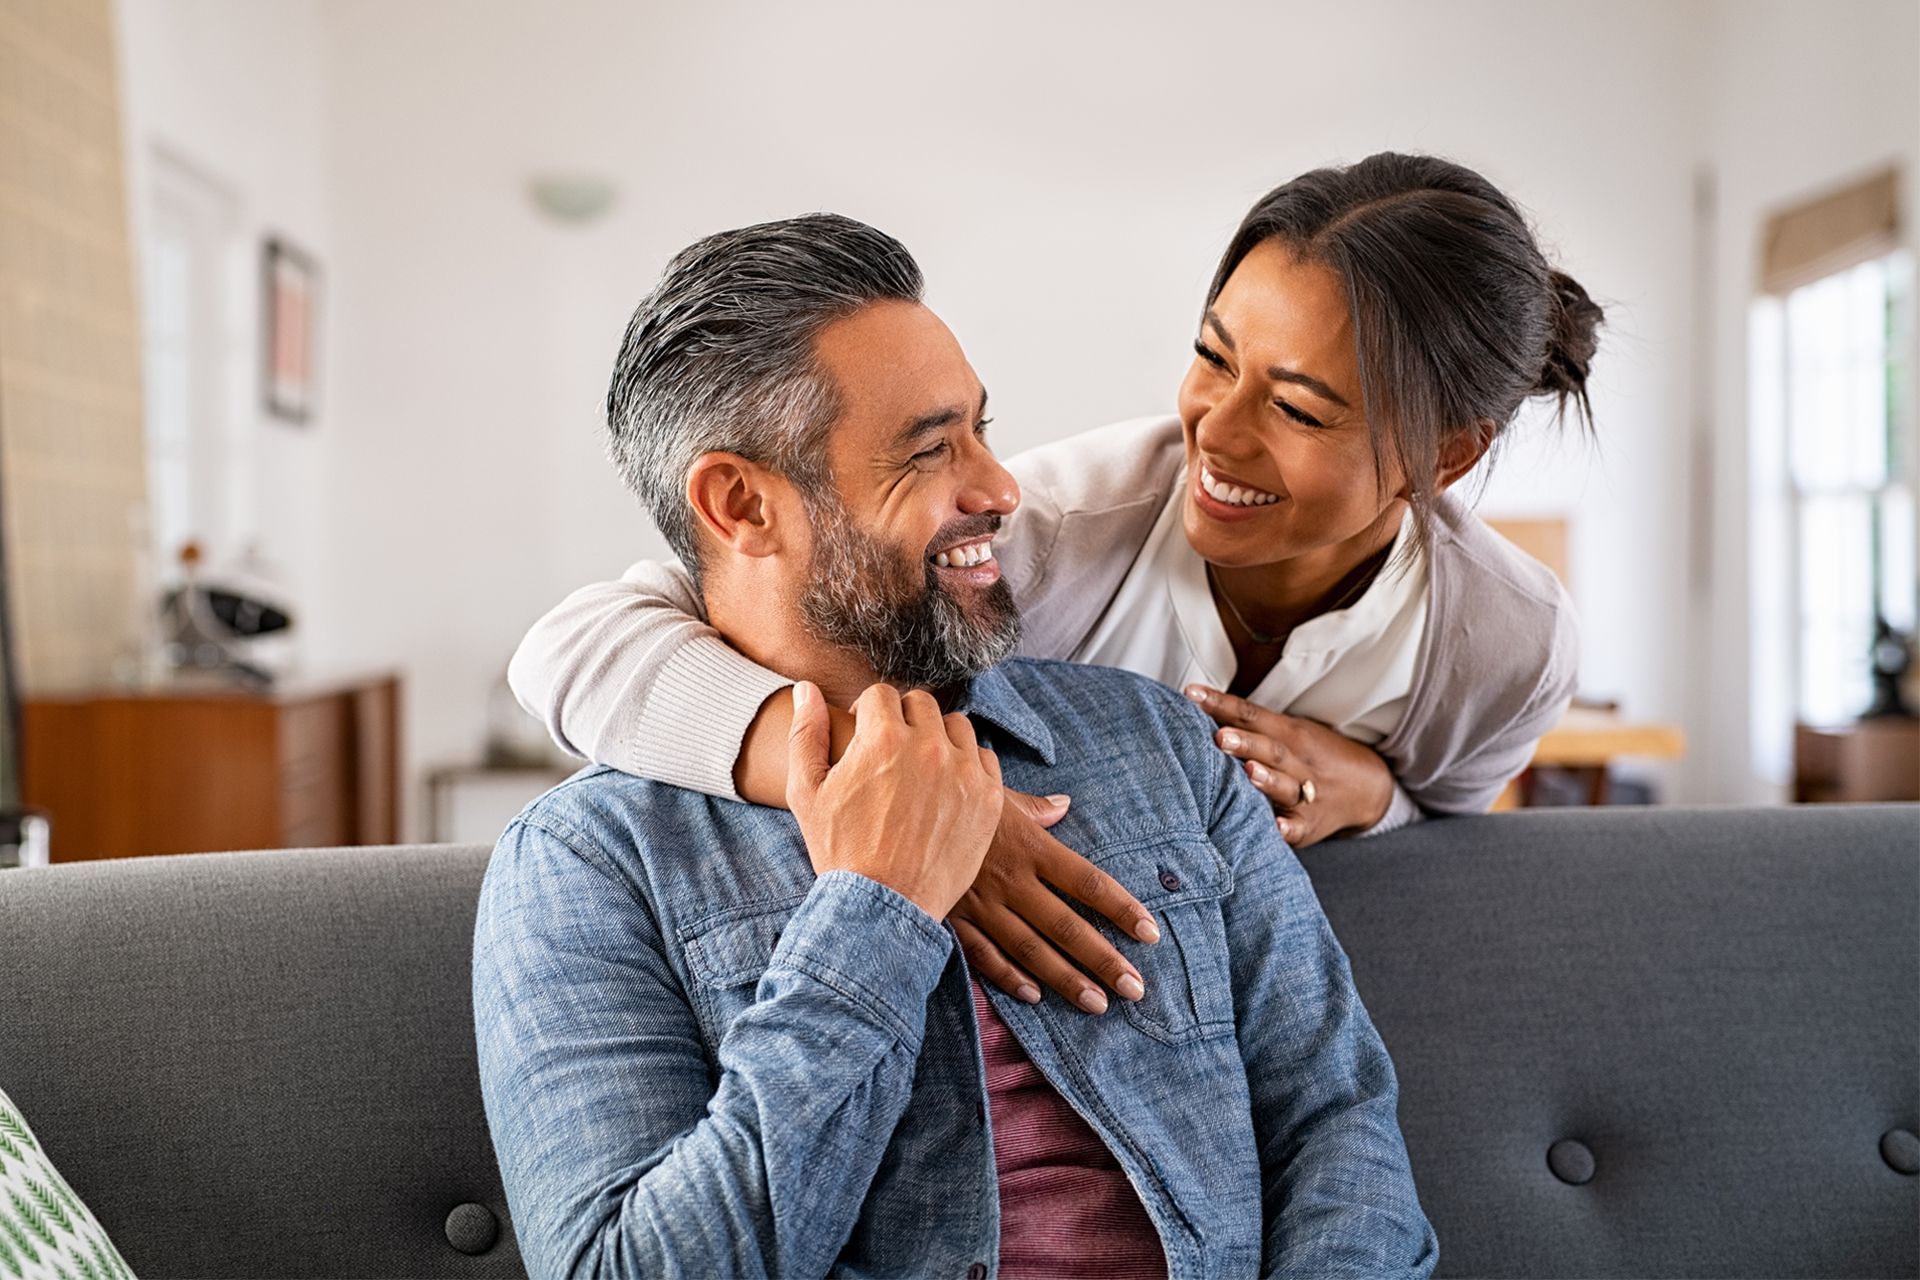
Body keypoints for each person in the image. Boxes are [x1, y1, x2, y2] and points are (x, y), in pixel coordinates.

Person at [473, 214, 1436, 1278]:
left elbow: (1338, 1120)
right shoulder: (589, 862)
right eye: (932, 449)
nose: (1000, 488)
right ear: (741, 503)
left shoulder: (1163, 744)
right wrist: (873, 910)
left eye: (982, 429)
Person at [508, 152, 1599, 1014]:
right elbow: (574, 647)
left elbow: (1454, 845)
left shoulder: (1507, 643)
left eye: (1300, 408)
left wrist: (1379, 796)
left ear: (1445, 456)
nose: (1213, 430)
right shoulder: (1052, 532)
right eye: (1212, 356)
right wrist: (910, 797)